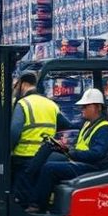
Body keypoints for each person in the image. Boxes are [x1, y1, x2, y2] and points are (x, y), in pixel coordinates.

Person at [25, 88, 108, 212]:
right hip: (80, 162)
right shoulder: (88, 124)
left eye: (85, 106)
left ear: (98, 107)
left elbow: (97, 154)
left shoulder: (104, 128)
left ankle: (37, 206)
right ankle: (28, 189)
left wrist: (71, 152)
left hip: (91, 167)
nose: (82, 109)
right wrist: (62, 147)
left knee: (50, 168)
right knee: (48, 153)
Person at [10, 70, 72, 204]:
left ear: (24, 84)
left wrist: (6, 150)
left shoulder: (23, 104)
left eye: (16, 86)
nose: (15, 90)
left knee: (18, 198)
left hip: (24, 158)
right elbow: (66, 124)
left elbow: (14, 132)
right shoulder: (51, 104)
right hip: (46, 157)